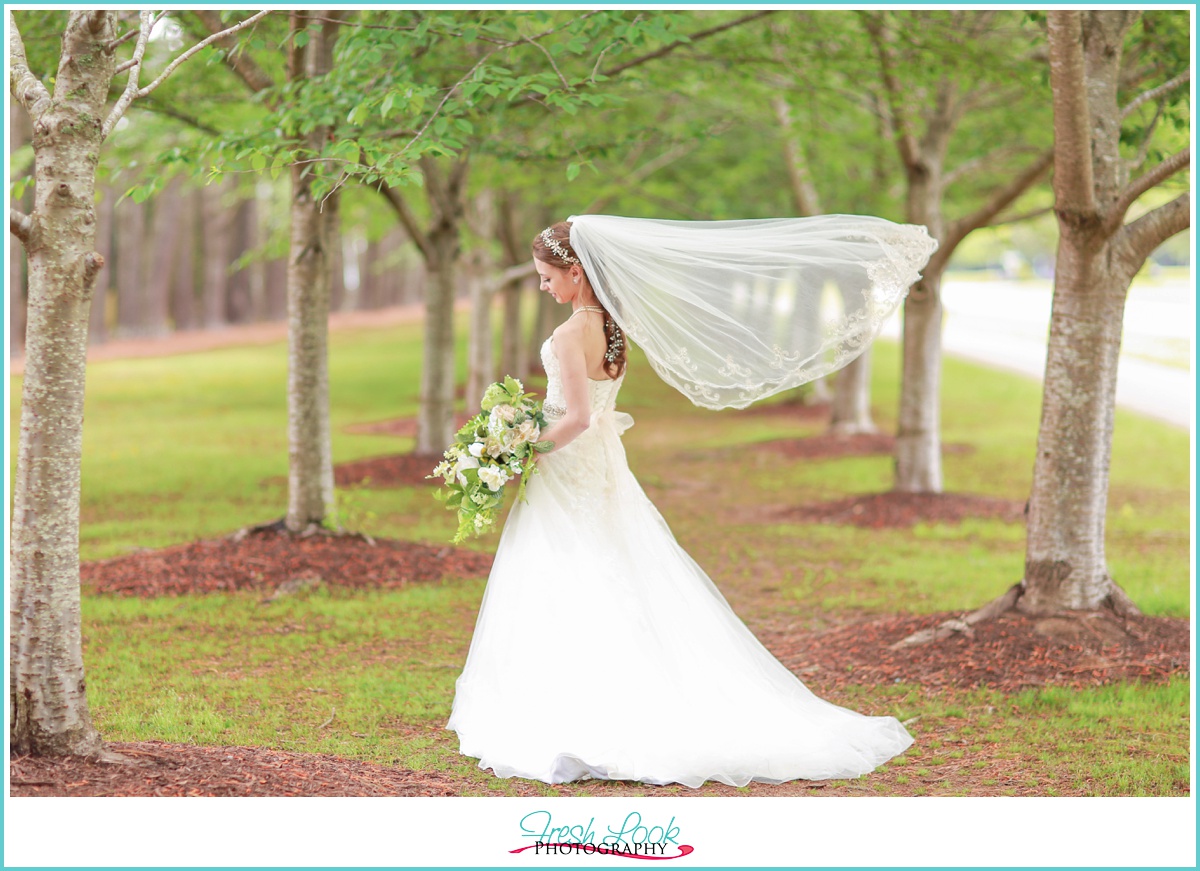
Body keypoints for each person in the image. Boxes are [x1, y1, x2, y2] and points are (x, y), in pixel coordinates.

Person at [445, 215, 936, 788]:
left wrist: (517, 454)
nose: (542, 287)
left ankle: (583, 713)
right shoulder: (611, 326)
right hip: (601, 468)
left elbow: (575, 418)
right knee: (611, 569)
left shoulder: (566, 335)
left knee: (568, 571)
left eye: (546, 277)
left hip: (572, 466)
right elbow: (589, 410)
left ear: (575, 272)